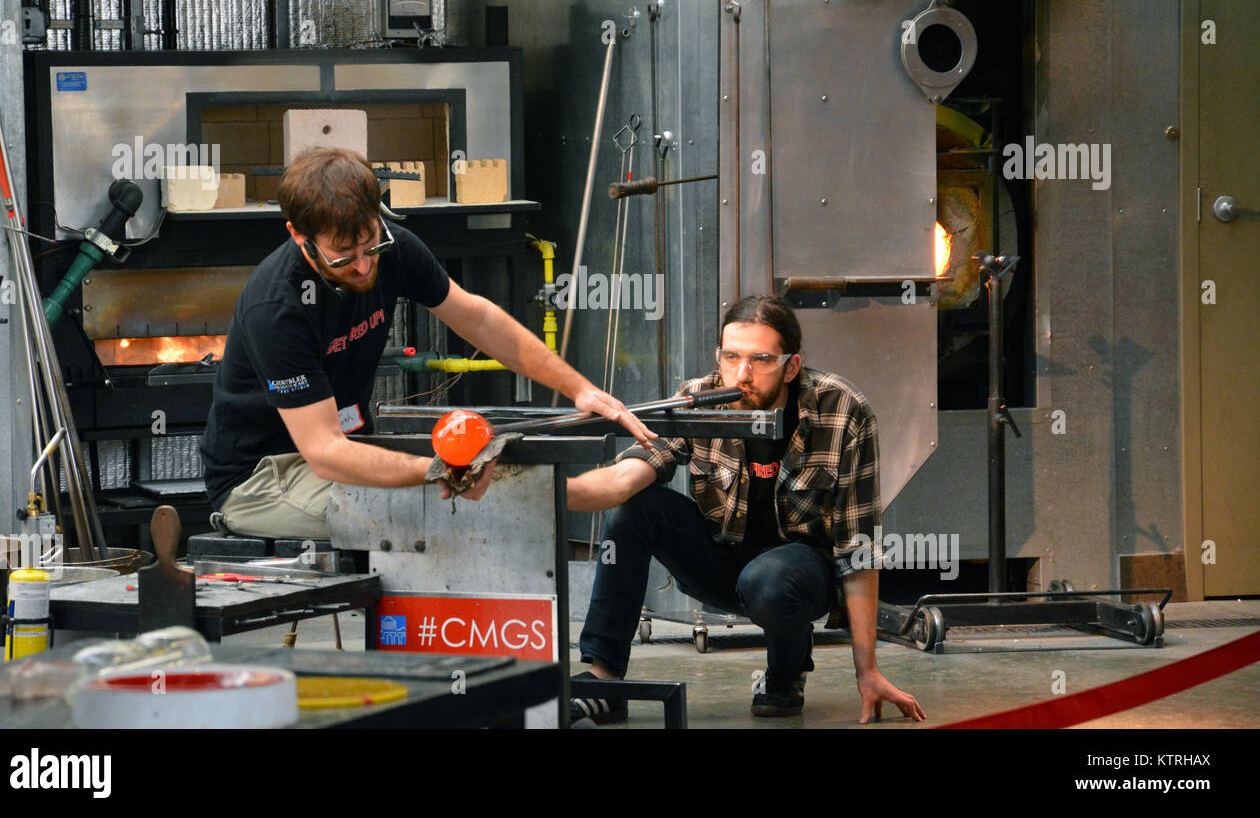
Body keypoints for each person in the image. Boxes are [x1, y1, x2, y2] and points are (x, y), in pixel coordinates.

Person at [200, 148, 654, 540]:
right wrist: (438, 470)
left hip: (346, 446)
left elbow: (477, 318)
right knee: (434, 504)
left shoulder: (395, 247)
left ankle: (622, 478)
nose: (363, 267)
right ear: (299, 235)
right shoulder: (277, 308)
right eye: (343, 257)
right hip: (261, 479)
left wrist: (578, 388)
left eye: (370, 247)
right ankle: (610, 485)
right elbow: (325, 453)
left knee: (475, 487)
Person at [567, 294, 925, 722]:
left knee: (771, 578)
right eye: (731, 357)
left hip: (799, 576)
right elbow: (624, 479)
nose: (742, 375)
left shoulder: (842, 410)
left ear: (791, 366)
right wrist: (546, 490)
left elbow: (859, 549)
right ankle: (605, 680)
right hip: (721, 561)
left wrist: (867, 671)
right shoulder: (699, 400)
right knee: (632, 509)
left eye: (761, 360)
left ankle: (785, 674)